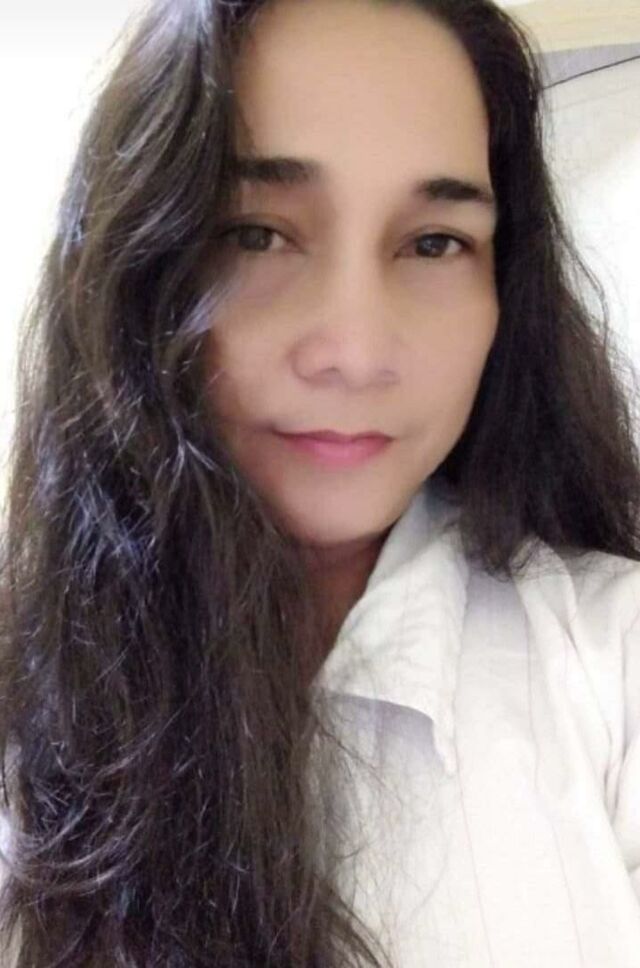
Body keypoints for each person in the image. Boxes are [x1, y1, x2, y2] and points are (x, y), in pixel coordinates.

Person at [1, 0, 639, 964]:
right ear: (133, 269)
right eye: (256, 234)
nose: (356, 351)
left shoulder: (614, 663)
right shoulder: (26, 709)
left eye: (434, 242)